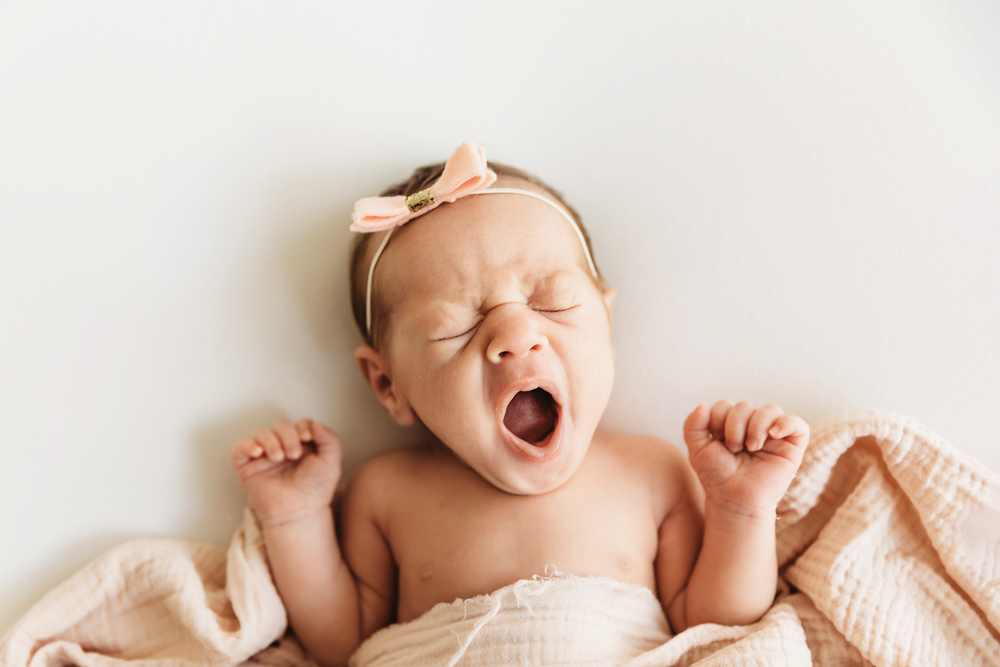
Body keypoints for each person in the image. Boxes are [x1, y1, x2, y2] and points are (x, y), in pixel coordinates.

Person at [230, 142, 810, 667]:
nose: (515, 334)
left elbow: (715, 632)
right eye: (455, 327)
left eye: (553, 303)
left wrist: (742, 513)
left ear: (605, 322)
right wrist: (296, 518)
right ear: (389, 386)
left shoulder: (653, 475)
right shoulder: (387, 491)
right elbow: (341, 643)